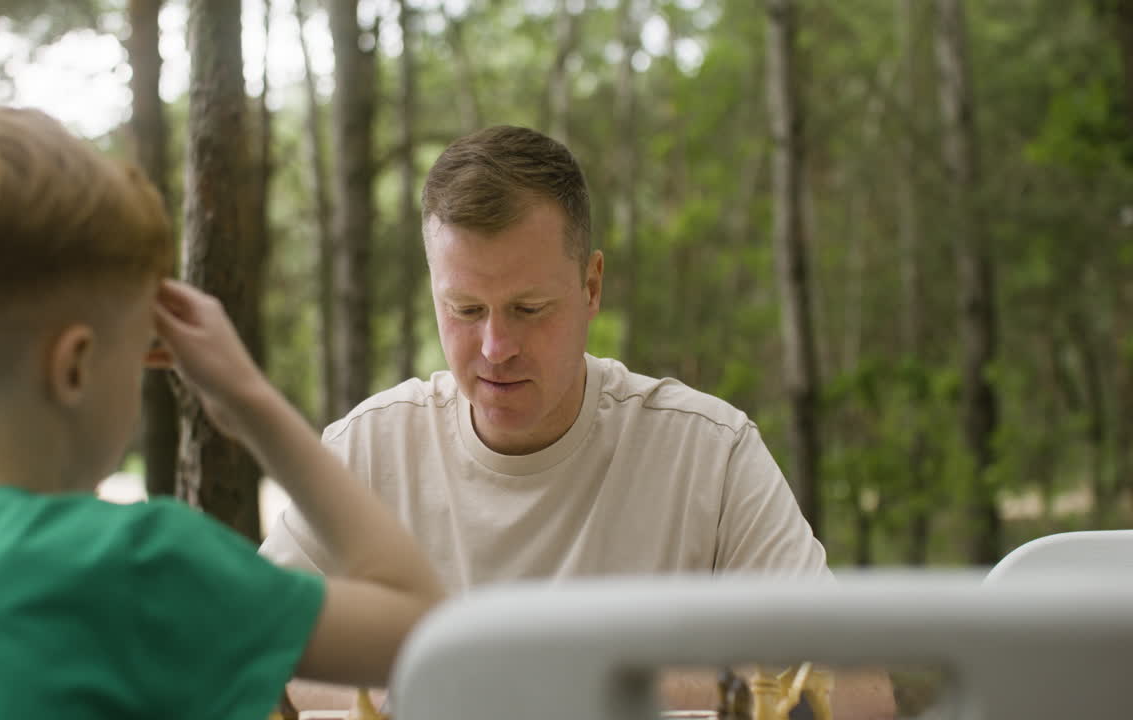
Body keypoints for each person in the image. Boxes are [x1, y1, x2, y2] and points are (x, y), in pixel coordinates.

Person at [261, 126, 894, 717]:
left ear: (592, 286)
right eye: (465, 309)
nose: (495, 347)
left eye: (529, 308)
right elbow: (255, 648)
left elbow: (866, 690)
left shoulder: (707, 453)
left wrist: (586, 684)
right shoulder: (370, 449)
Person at [0, 103, 443, 719]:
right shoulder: (139, 568)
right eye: (139, 349)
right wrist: (251, 402)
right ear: (75, 367)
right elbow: (420, 630)